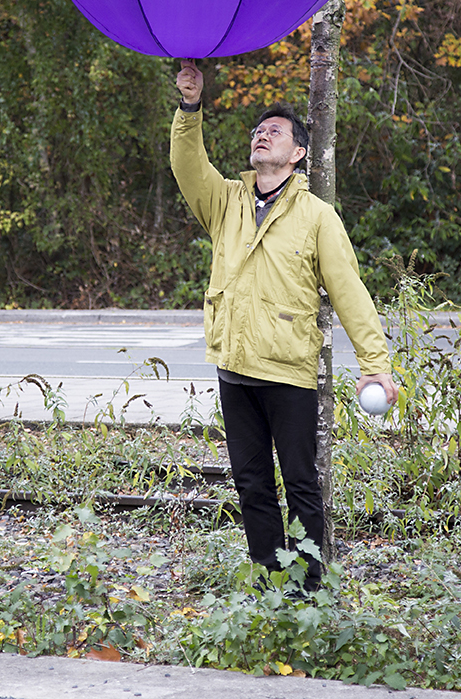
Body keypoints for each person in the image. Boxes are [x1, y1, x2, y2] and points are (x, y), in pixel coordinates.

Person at [171, 60, 396, 590]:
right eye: (258, 129)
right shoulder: (225, 200)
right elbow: (187, 165)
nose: (261, 134)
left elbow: (349, 292)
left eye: (274, 130)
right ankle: (271, 585)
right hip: (234, 369)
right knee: (251, 485)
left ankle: (308, 590)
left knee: (300, 485)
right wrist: (189, 106)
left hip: (288, 373)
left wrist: (375, 363)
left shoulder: (317, 216)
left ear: (297, 154)